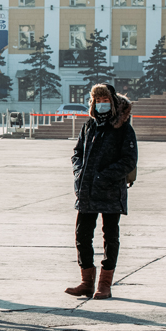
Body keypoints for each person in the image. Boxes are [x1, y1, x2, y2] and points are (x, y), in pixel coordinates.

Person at [66, 83, 138, 301]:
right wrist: (79, 173)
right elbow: (77, 153)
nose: (101, 104)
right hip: (86, 190)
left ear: (113, 102)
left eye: (105, 100)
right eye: (97, 101)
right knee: (82, 235)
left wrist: (103, 177)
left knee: (110, 236)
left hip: (110, 192)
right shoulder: (89, 126)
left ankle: (104, 284)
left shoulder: (123, 128)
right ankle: (86, 282)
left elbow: (129, 160)